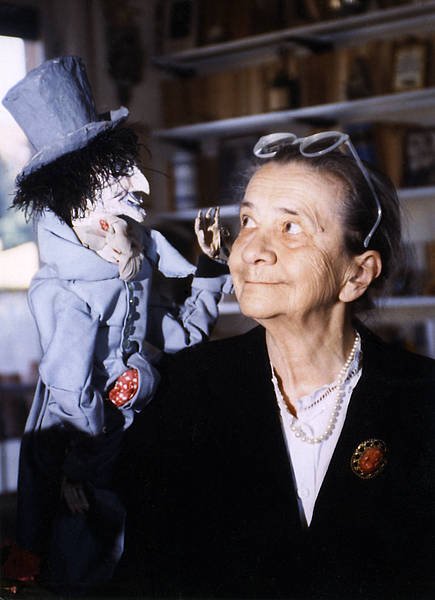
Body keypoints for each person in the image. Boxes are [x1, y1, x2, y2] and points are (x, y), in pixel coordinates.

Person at [117, 131, 435, 599]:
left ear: (357, 274)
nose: (251, 250)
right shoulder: (186, 389)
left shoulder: (422, 401)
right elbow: (145, 578)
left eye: (291, 227)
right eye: (248, 221)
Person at [1, 56, 231, 594]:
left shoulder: (138, 255)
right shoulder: (64, 292)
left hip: (136, 434)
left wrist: (209, 274)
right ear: (77, 194)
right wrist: (79, 466)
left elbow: (176, 336)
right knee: (88, 556)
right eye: (115, 175)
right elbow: (71, 394)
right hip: (87, 453)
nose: (137, 185)